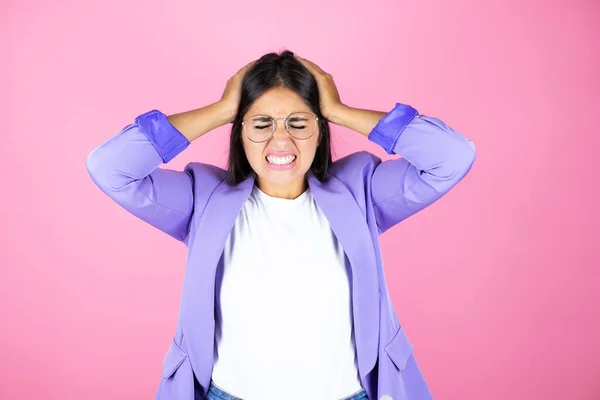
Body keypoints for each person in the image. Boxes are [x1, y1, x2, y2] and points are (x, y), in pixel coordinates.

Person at [86, 50, 476, 400]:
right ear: (240, 131)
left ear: (319, 129)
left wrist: (339, 111)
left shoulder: (361, 190)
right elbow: (110, 167)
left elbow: (451, 156)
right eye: (261, 123)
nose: (281, 140)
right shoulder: (202, 199)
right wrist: (222, 110)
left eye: (297, 122)